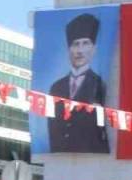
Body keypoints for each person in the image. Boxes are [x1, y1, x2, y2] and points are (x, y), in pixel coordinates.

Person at [47, 12, 109, 154]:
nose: (80, 51)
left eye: (85, 43)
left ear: (93, 49)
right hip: (60, 157)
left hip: (92, 156)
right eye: (76, 44)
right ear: (69, 50)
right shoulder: (56, 87)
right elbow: (53, 129)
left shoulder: (100, 84)